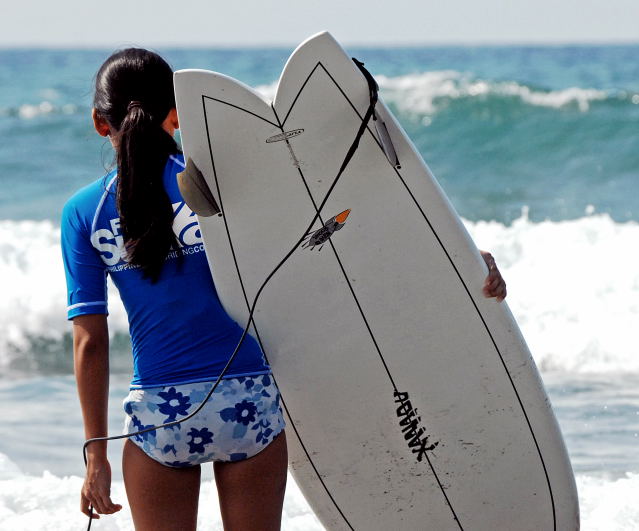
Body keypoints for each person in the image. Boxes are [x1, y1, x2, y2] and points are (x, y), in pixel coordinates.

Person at [61, 47, 506, 531]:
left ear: (99, 123)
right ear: (178, 112)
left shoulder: (84, 212)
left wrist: (95, 456)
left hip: (160, 413)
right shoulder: (232, 183)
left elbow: (90, 341)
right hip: (248, 399)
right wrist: (458, 261)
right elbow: (338, 244)